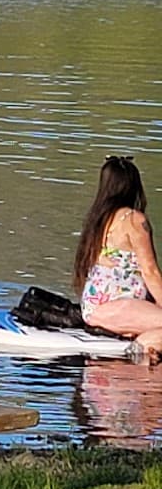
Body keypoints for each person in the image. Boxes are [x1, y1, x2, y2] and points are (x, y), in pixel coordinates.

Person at [75, 155, 162, 363]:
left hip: (95, 306)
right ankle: (140, 348)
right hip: (117, 306)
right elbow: (150, 272)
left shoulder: (98, 218)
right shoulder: (134, 220)